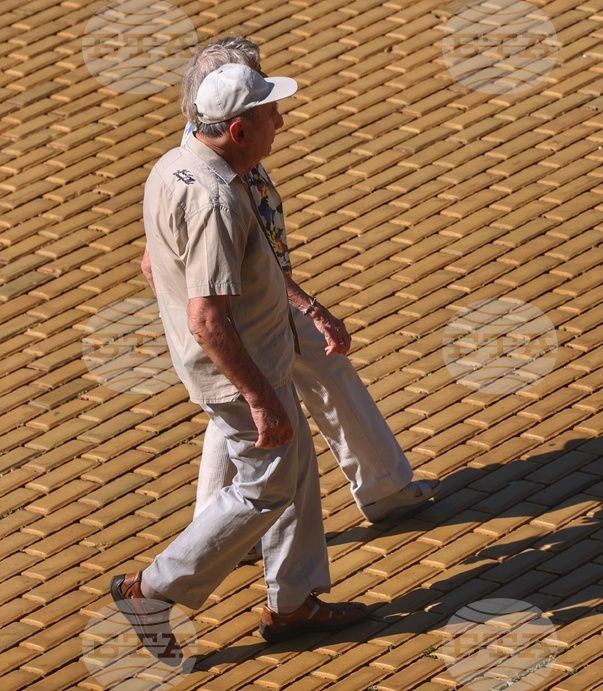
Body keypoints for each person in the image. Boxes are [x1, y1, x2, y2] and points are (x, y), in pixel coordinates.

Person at [113, 64, 369, 658]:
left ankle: (293, 604)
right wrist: (258, 396)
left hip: (259, 359)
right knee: (263, 490)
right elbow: (207, 318)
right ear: (237, 129)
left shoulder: (172, 167)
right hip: (239, 375)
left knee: (297, 474)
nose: (280, 121)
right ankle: (150, 588)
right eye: (269, 115)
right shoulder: (217, 202)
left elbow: (155, 266)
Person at [141, 37, 437, 528]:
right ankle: (222, 529)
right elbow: (161, 266)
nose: (276, 114)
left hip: (255, 302)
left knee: (265, 393)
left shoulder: (219, 147)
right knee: (246, 401)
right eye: (261, 95)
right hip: (246, 311)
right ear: (234, 113)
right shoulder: (210, 172)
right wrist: (226, 326)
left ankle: (381, 485)